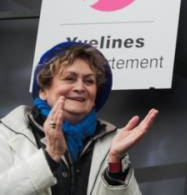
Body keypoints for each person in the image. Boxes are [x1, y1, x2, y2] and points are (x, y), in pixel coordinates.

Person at [0, 41, 157, 194]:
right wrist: (50, 156)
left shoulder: (113, 142)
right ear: (43, 90)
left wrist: (115, 165)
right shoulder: (7, 133)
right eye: (70, 78)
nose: (80, 88)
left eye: (89, 81)